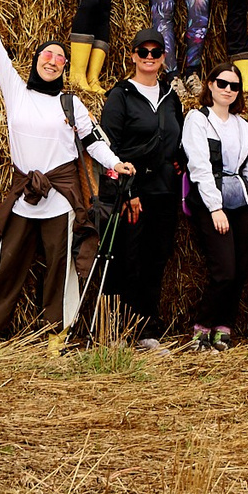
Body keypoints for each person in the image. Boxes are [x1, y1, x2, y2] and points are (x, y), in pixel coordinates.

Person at [0, 0, 130, 355]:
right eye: (46, 54)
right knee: (9, 265)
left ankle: (57, 337)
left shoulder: (71, 104)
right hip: (24, 194)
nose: (52, 60)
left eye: (59, 57)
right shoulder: (16, 92)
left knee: (59, 269)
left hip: (60, 198)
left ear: (64, 67)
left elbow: (92, 142)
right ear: (36, 60)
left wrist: (115, 163)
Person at [98, 29, 185, 348]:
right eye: (143, 52)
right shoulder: (120, 95)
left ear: (163, 58)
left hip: (164, 191)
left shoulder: (170, 96)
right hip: (131, 191)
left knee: (156, 259)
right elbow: (109, 147)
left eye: (156, 52)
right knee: (126, 260)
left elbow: (178, 141)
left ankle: (147, 331)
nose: (150, 57)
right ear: (132, 56)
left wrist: (182, 164)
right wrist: (126, 191)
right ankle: (119, 331)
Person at [179, 66, 248, 350]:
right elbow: (199, 166)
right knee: (224, 270)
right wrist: (215, 208)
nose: (228, 89)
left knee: (241, 268)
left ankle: (223, 326)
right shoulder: (198, 119)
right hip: (210, 201)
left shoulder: (244, 126)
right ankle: (202, 326)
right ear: (210, 85)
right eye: (222, 83)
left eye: (234, 86)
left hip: (240, 201)